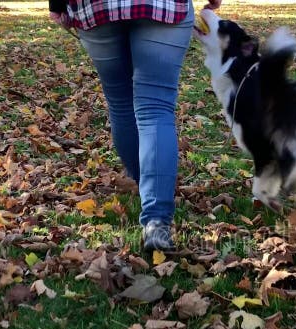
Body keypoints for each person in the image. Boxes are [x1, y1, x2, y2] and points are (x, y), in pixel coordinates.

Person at [49, 0, 222, 251]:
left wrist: (57, 4)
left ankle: (148, 187)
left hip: (97, 8)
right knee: (155, 107)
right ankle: (156, 220)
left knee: (120, 103)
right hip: (163, 6)